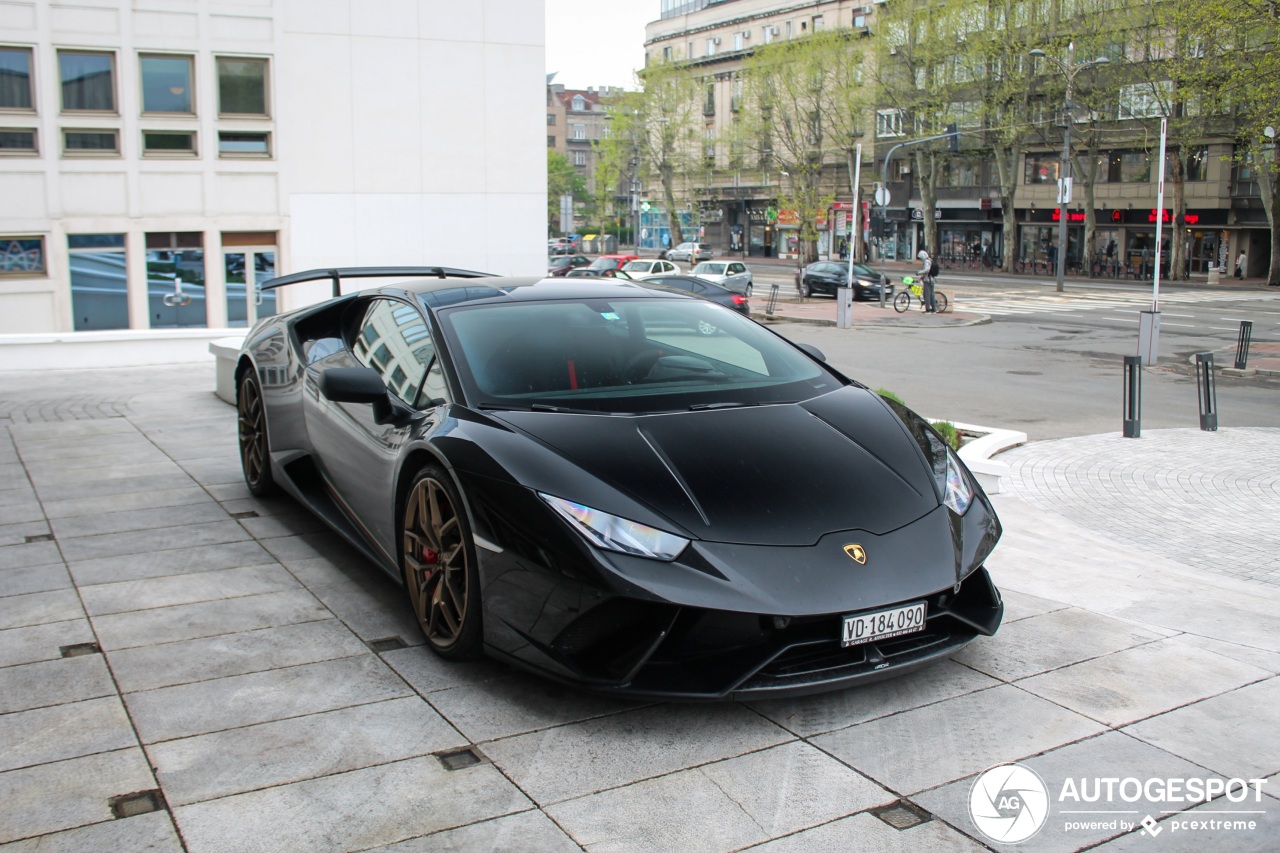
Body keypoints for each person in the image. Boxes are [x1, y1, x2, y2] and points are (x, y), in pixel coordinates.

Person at [917, 249, 938, 313]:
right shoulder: (930, 260)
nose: (920, 259)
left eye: (920, 258)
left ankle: (928, 310)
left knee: (927, 295)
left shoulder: (926, 261)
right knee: (931, 295)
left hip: (928, 280)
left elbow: (927, 270)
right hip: (931, 280)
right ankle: (934, 309)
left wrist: (919, 272)